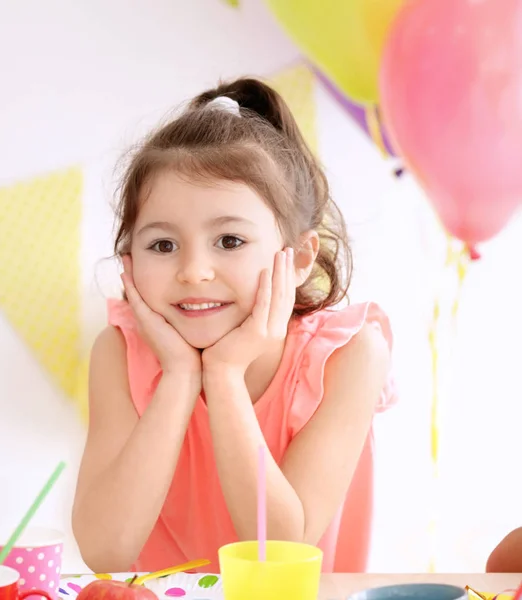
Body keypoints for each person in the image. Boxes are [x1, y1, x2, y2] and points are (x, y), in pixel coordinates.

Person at [72, 77, 396, 574]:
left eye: (229, 241)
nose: (194, 271)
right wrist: (179, 378)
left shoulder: (348, 356)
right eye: (162, 245)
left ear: (301, 256)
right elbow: (105, 551)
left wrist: (223, 377)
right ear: (129, 262)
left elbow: (281, 554)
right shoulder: (119, 353)